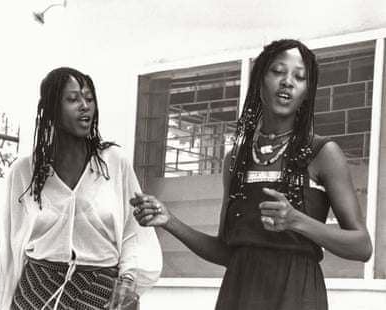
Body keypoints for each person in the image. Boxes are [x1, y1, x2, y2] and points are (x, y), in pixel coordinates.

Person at [130, 39, 372, 310]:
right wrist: (169, 221)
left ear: (306, 92)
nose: (288, 82)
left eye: (299, 77)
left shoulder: (323, 154)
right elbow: (225, 251)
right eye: (278, 71)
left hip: (297, 296)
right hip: (239, 292)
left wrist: (296, 221)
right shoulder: (236, 159)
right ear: (259, 80)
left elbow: (362, 246)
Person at [0, 67, 162, 310]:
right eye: (73, 99)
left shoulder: (114, 163)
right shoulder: (25, 172)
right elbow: (1, 246)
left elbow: (134, 233)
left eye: (89, 98)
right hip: (36, 293)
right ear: (51, 110)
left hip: (100, 293)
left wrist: (128, 281)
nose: (84, 106)